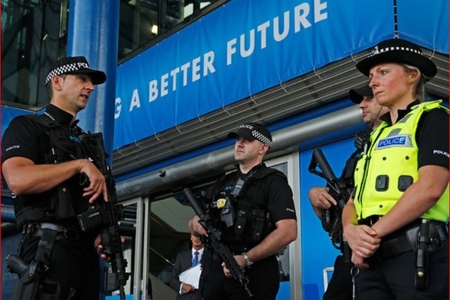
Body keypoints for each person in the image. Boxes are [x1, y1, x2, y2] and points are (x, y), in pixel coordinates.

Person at [342, 38, 449, 299]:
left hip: (417, 254)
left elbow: (430, 188)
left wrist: (369, 237)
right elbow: (354, 201)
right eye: (371, 76)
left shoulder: (434, 117)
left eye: (383, 72)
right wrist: (350, 231)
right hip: (369, 261)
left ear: (412, 75)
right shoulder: (375, 137)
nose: (372, 82)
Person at [2, 56, 109, 300]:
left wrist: (100, 237)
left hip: (85, 259)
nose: (90, 87)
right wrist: (79, 165)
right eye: (82, 79)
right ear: (58, 82)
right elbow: (17, 179)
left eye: (91, 82)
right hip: (47, 249)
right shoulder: (27, 126)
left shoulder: (86, 142)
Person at [188, 122, 298, 300]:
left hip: (253, 274)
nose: (239, 144)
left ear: (263, 148)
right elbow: (194, 221)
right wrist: (195, 224)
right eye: (238, 139)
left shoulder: (274, 182)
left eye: (246, 140)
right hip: (214, 272)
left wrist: (246, 259)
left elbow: (288, 231)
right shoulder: (223, 182)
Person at [308, 85, 388, 300]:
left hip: (389, 252)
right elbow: (334, 221)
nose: (361, 105)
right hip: (350, 255)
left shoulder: (407, 139)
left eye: (368, 99)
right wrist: (316, 198)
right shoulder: (357, 157)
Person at [169, 234, 205, 300]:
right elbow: (173, 280)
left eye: (199, 236)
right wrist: (182, 286)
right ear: (191, 237)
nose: (197, 238)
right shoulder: (181, 257)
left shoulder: (211, 257)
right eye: (195, 236)